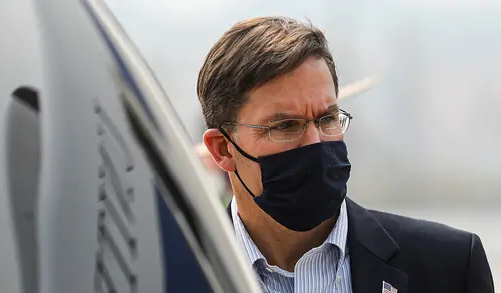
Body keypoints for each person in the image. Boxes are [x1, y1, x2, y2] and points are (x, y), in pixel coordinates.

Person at [197, 16, 494, 293]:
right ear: (223, 150)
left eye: (327, 119)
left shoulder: (449, 267)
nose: (315, 142)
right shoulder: (172, 273)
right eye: (286, 126)